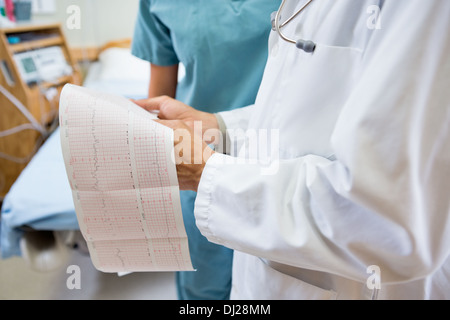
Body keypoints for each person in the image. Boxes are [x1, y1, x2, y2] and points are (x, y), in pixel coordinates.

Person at [135, 0, 450, 299]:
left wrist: (206, 172)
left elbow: (388, 220)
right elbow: (302, 119)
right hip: (250, 233)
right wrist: (219, 128)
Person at [131, 0, 281, 300]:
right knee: (204, 290)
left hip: (281, 163)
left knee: (271, 285)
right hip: (196, 166)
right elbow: (158, 102)